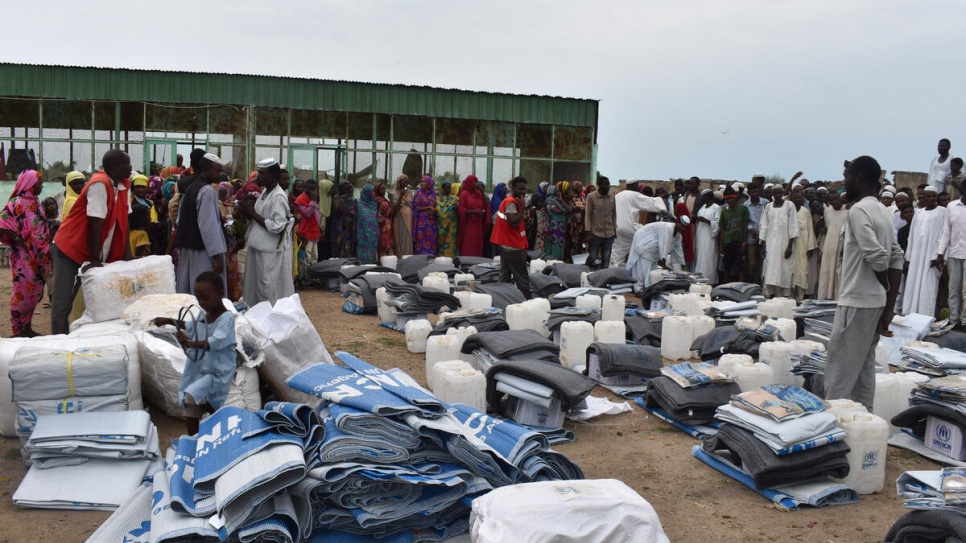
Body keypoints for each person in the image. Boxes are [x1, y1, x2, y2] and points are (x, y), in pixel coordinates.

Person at [824, 156, 903, 410]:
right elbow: (896, 256)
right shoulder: (880, 208)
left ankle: (835, 425)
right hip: (874, 304)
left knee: (840, 369)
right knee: (864, 370)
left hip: (857, 301)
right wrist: (888, 306)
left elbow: (879, 257)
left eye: (847, 176)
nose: (844, 182)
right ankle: (862, 421)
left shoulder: (858, 210)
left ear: (859, 177)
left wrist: (886, 288)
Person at [51, 150, 133, 335]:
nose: (131, 167)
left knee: (97, 300)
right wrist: (94, 260)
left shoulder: (123, 185)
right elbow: (95, 223)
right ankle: (58, 340)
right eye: (128, 163)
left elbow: (124, 221)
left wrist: (127, 255)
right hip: (70, 248)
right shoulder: (99, 184)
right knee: (63, 302)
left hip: (92, 251)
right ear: (117, 166)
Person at [150, 271, 236, 436]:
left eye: (206, 298)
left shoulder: (227, 319)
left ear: (220, 293)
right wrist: (169, 320)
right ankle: (194, 439)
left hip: (217, 371)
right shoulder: (205, 314)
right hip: (201, 368)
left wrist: (189, 342)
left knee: (194, 397)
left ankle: (214, 429)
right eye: (198, 299)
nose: (202, 303)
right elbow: (192, 326)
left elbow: (214, 342)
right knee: (192, 401)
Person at [236, 158, 294, 307]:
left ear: (274, 175)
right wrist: (246, 212)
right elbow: (260, 216)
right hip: (258, 248)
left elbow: (277, 226)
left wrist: (253, 214)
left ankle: (267, 321)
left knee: (266, 289)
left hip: (268, 252)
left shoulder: (278, 197)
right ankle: (256, 318)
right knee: (254, 287)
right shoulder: (264, 193)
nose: (258, 177)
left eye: (262, 174)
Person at [0, 170, 50, 337]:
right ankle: (18, 331)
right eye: (39, 183)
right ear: (29, 184)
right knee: (23, 293)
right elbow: (2, 223)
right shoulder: (17, 202)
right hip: (24, 258)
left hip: (39, 256)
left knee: (35, 292)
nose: (41, 186)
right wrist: (16, 238)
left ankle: (27, 328)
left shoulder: (35, 202)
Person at [174, 153, 228, 294]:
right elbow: (208, 226)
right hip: (203, 251)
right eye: (217, 170)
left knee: (189, 286)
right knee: (205, 290)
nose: (220, 174)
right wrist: (216, 256)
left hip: (188, 248)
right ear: (206, 170)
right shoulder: (207, 191)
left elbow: (179, 220)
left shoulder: (191, 188)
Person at [903, 186, 946, 317]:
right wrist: (908, 256)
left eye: (934, 196)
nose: (931, 199)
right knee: (912, 284)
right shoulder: (919, 213)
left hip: (932, 257)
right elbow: (911, 236)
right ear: (924, 197)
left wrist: (939, 254)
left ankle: (925, 317)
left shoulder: (943, 212)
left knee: (928, 287)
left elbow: (944, 234)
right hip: (916, 256)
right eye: (929, 196)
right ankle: (909, 314)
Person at [490, 176, 531, 299]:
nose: (522, 192)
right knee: (521, 277)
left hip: (508, 243)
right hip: (512, 245)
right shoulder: (511, 202)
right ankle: (528, 301)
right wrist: (523, 208)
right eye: (519, 189)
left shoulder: (514, 201)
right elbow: (512, 222)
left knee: (505, 275)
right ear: (512, 188)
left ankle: (499, 298)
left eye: (524, 189)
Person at [611, 179, 668, 267]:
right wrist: (661, 200)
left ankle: (611, 271)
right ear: (635, 186)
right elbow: (650, 203)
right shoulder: (634, 195)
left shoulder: (618, 195)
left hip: (617, 229)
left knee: (616, 255)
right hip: (630, 228)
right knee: (648, 244)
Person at [626, 216, 689, 291]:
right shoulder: (668, 228)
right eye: (681, 226)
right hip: (644, 242)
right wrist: (663, 264)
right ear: (677, 222)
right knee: (642, 271)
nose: (683, 229)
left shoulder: (678, 235)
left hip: (653, 251)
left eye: (684, 227)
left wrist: (683, 267)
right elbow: (664, 244)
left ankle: (647, 289)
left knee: (651, 273)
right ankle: (639, 290)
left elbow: (678, 250)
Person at [759, 186, 798, 297]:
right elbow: (764, 226)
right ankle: (771, 295)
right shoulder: (768, 207)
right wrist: (763, 246)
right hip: (770, 244)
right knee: (771, 267)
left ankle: (785, 296)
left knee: (785, 268)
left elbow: (793, 226)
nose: (777, 195)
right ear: (772, 194)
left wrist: (790, 246)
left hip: (785, 243)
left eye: (779, 193)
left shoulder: (789, 205)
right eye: (775, 193)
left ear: (783, 193)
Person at [937, 180, 966, 330]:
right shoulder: (952, 206)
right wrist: (940, 252)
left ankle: (965, 321)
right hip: (954, 252)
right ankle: (954, 319)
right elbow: (946, 231)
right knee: (953, 288)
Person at [817, 190, 848, 300]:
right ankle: (826, 296)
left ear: (839, 197)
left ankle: (838, 298)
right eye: (831, 200)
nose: (834, 202)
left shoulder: (848, 210)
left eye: (836, 199)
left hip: (842, 243)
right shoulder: (827, 211)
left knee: (839, 271)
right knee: (827, 270)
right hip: (829, 244)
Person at [717, 186, 749, 284]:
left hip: (739, 242)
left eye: (731, 198)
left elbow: (745, 226)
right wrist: (721, 245)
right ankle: (726, 285)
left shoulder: (743, 209)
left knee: (740, 266)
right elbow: (722, 229)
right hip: (728, 242)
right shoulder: (724, 212)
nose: (730, 201)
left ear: (736, 198)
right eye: (727, 199)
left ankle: (741, 285)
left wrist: (744, 242)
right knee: (727, 266)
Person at [790, 187, 817, 300]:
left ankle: (800, 297)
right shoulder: (788, 210)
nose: (797, 200)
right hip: (790, 245)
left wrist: (810, 246)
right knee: (790, 269)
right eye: (795, 198)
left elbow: (810, 228)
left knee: (802, 270)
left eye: (799, 198)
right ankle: (789, 296)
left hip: (803, 243)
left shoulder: (805, 212)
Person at [584, 175, 617, 270]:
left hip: (609, 233)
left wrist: (615, 229)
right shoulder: (591, 197)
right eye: (605, 185)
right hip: (596, 233)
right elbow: (588, 215)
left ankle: (603, 278)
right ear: (599, 185)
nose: (607, 187)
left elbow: (614, 213)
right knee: (593, 256)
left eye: (608, 185)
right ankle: (585, 270)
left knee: (606, 258)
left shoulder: (612, 196)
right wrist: (588, 231)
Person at [294, 180, 322, 283]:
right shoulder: (300, 199)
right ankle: (305, 277)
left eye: (314, 189)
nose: (312, 191)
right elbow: (307, 213)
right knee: (307, 255)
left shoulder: (313, 198)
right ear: (306, 188)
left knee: (315, 256)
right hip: (306, 231)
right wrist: (313, 201)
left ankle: (313, 276)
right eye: (309, 189)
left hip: (314, 230)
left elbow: (316, 214)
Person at [693, 189, 721, 284]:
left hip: (709, 237)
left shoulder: (716, 208)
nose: (701, 198)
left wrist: (707, 221)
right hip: (700, 235)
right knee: (700, 258)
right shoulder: (703, 207)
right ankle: (699, 280)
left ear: (709, 197)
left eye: (703, 196)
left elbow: (718, 223)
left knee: (708, 258)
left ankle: (709, 281)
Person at [457, 175, 488, 257]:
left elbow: (484, 205)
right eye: (475, 182)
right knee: (468, 245)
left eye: (477, 182)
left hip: (478, 225)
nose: (476, 184)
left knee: (477, 245)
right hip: (468, 225)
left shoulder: (478, 193)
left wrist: (482, 193)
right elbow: (461, 210)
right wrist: (475, 212)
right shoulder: (464, 194)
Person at [330, 181, 357, 259]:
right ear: (340, 188)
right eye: (345, 188)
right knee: (338, 244)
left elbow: (353, 212)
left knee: (347, 246)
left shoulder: (352, 199)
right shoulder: (336, 198)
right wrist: (342, 200)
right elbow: (339, 210)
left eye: (348, 188)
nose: (347, 190)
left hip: (348, 227)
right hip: (338, 226)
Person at [413, 175, 438, 255]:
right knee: (420, 241)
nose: (421, 183)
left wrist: (434, 209)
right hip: (421, 222)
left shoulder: (434, 193)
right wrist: (429, 207)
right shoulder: (418, 193)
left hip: (432, 222)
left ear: (429, 183)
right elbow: (416, 207)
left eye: (424, 182)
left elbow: (437, 205)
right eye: (421, 182)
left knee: (432, 241)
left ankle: (431, 261)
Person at [544, 184, 570, 260]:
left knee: (560, 244)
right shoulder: (550, 201)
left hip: (561, 227)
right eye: (557, 191)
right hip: (554, 226)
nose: (559, 193)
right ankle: (552, 261)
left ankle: (559, 260)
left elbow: (569, 210)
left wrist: (561, 200)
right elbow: (558, 211)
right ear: (552, 192)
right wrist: (562, 209)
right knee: (554, 244)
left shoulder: (559, 201)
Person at [391, 175, 414, 257]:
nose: (406, 184)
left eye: (407, 182)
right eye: (404, 182)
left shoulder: (409, 193)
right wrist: (401, 196)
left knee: (407, 238)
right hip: (399, 220)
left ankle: (408, 258)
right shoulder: (392, 194)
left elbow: (411, 206)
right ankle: (400, 258)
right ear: (399, 182)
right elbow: (395, 211)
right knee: (400, 239)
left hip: (408, 220)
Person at [356, 184, 379, 264]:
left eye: (374, 191)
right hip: (362, 236)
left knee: (371, 258)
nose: (373, 193)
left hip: (373, 236)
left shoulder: (375, 203)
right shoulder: (359, 204)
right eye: (371, 191)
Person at [436, 181, 458, 258]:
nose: (449, 189)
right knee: (440, 243)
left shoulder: (454, 199)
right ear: (442, 188)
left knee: (451, 243)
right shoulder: (436, 199)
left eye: (450, 187)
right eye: (447, 187)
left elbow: (458, 210)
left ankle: (451, 259)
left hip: (452, 227)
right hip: (440, 226)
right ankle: (440, 259)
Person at [317, 177, 335, 260]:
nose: (333, 191)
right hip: (320, 230)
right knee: (321, 249)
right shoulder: (318, 200)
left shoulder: (330, 199)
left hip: (329, 228)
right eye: (331, 188)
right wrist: (321, 231)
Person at [569, 181, 586, 257]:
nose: (581, 188)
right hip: (573, 223)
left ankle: (580, 258)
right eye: (579, 187)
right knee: (574, 242)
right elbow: (571, 209)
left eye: (581, 186)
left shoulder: (582, 198)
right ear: (575, 187)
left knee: (581, 242)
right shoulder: (570, 198)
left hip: (582, 223)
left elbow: (583, 208)